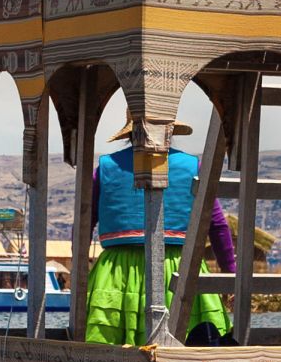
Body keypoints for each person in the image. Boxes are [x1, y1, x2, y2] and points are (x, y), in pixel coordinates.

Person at [82, 125, 237, 346]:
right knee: (190, 346)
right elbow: (218, 225)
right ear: (169, 132)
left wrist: (79, 273)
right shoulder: (192, 166)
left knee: (112, 349)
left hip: (118, 272)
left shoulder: (107, 167)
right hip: (180, 269)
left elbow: (84, 221)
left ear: (130, 133)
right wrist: (229, 276)